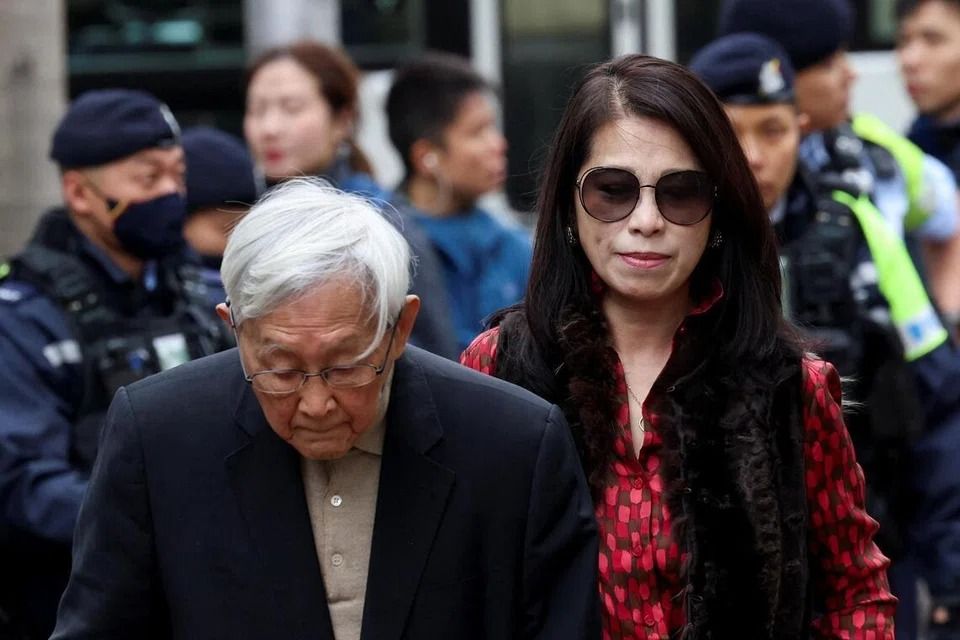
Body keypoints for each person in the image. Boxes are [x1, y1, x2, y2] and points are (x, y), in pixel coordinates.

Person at [460, 53, 896, 638]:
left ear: (718, 211)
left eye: (681, 193)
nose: (645, 220)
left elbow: (855, 594)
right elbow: (458, 579)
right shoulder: (498, 368)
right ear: (569, 203)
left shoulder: (791, 385)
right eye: (612, 191)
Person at [51, 179, 600, 640]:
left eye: (346, 366)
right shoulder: (158, 438)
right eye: (281, 370)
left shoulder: (514, 445)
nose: (316, 404)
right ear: (232, 330)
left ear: (400, 327)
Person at [690, 33, 960, 640]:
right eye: (733, 133)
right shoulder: (667, 250)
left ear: (802, 129)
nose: (754, 157)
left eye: (773, 131)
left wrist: (951, 579)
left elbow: (938, 407)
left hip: (865, 558)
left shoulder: (857, 227)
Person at [0, 89, 233, 639]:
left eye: (178, 175)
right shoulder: (25, 320)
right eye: (147, 179)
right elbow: (21, 485)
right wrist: (151, 514)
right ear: (80, 192)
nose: (171, 194)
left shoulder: (201, 299)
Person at [719, 0, 960, 325]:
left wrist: (947, 321)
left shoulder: (876, 149)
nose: (851, 73)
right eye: (830, 63)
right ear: (781, 73)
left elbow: (947, 213)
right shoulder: (709, 167)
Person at [245, 40, 459, 360]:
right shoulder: (249, 221)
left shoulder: (385, 224)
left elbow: (433, 356)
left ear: (343, 121)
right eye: (257, 109)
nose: (269, 128)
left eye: (291, 108)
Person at [386, 52, 532, 353]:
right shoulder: (383, 246)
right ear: (426, 157)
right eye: (477, 132)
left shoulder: (512, 246)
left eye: (493, 128)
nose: (498, 145)